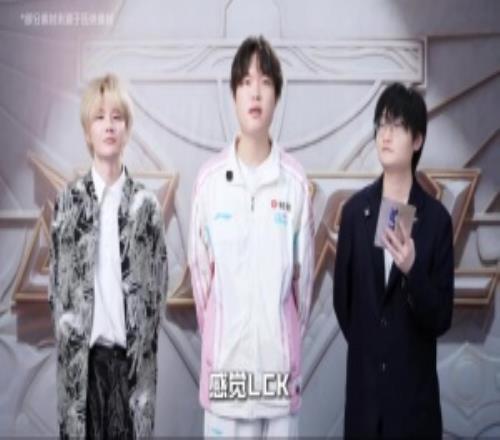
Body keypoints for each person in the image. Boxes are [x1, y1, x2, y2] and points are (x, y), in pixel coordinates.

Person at [188, 35, 314, 438]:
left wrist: (283, 341)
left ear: (277, 95)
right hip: (226, 375)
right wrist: (222, 337)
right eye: (245, 82)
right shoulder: (209, 182)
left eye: (265, 81)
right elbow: (201, 283)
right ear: (233, 95)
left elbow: (304, 286)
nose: (255, 92)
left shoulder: (294, 182)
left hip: (277, 375)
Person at [48, 73, 168, 439]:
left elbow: (159, 287)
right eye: (99, 117)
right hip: (82, 368)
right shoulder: (68, 203)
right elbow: (56, 289)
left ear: (127, 129)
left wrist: (142, 344)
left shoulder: (145, 205)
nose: (109, 126)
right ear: (88, 131)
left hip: (131, 368)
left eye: (117, 117)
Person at [334, 82, 454, 438]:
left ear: (417, 140)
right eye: (381, 124)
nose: (385, 135)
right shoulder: (355, 213)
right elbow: (344, 303)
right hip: (365, 404)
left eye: (397, 126)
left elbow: (441, 317)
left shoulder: (436, 220)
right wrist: (374, 350)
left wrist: (413, 271)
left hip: (413, 407)